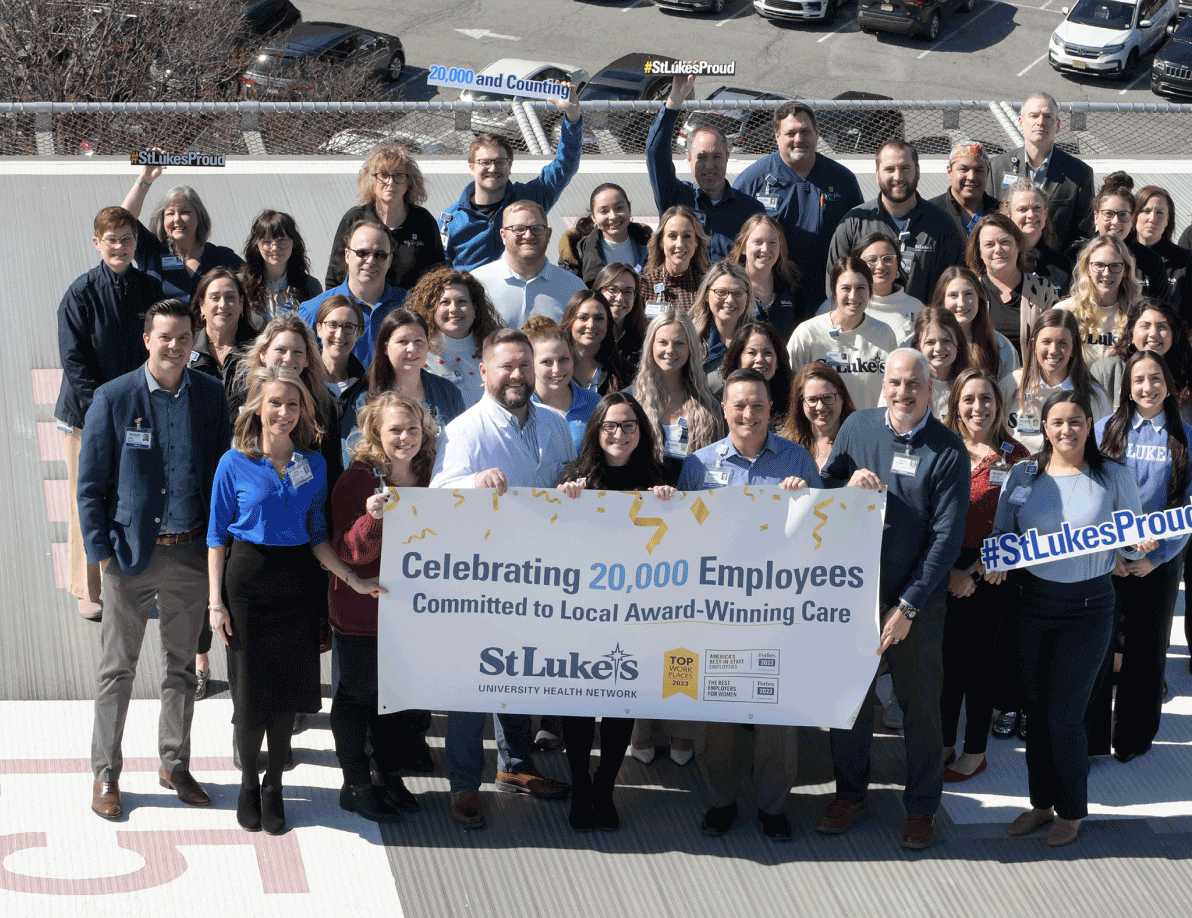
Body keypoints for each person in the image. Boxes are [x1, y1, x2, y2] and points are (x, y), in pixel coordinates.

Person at [207, 365, 383, 835]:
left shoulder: (316, 463)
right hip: (246, 583)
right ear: (257, 408)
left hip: (298, 585)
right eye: (274, 403)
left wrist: (352, 578)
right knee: (248, 694)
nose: (283, 412)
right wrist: (214, 603)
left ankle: (273, 786)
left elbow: (318, 535)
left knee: (287, 692)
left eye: (292, 404)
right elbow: (216, 538)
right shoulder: (234, 462)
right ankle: (247, 782)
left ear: (302, 410)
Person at [78, 298, 231, 821]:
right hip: (130, 558)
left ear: (195, 342)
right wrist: (101, 557)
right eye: (165, 337)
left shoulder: (212, 397)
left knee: (181, 670)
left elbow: (221, 475)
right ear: (147, 339)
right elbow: (91, 485)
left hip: (190, 552)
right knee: (116, 671)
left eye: (184, 338)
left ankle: (174, 763)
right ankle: (106, 774)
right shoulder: (113, 397)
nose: (175, 346)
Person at [815, 348, 969, 850]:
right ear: (884, 384)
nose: (904, 393)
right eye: (896, 383)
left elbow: (946, 540)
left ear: (931, 389)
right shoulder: (858, 427)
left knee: (920, 708)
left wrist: (906, 608)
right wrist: (845, 482)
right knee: (851, 702)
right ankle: (850, 794)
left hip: (915, 606)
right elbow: (825, 488)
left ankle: (922, 807)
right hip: (854, 595)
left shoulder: (947, 450)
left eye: (915, 385)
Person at [429, 328, 576, 829]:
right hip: (483, 576)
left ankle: (515, 765)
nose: (516, 375)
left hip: (541, 575)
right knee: (473, 686)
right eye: (505, 367)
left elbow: (564, 483)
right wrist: (473, 482)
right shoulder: (464, 431)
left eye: (524, 365)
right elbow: (436, 493)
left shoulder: (557, 425)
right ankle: (465, 785)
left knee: (521, 672)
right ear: (483, 372)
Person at [671, 369, 820, 840]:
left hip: (777, 607)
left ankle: (773, 808)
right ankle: (720, 802)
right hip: (716, 609)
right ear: (724, 409)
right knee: (716, 714)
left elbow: (821, 531)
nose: (748, 414)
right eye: (738, 406)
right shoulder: (697, 465)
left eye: (757, 406)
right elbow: (681, 536)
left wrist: (807, 500)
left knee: (776, 712)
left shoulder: (797, 459)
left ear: (770, 409)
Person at [991, 390, 1141, 847]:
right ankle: (1041, 803)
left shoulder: (1113, 474)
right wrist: (998, 558)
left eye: (1075, 421)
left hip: (1089, 608)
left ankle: (1072, 810)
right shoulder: (1023, 474)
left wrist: (1138, 546)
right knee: (1035, 711)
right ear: (1044, 426)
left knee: (1065, 716)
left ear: (1090, 424)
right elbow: (1003, 531)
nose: (1066, 431)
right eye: (1057, 422)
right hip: (1034, 602)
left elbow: (1130, 540)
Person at [556, 392, 675, 831]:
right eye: (610, 426)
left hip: (634, 615)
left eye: (628, 426)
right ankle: (580, 785)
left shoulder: (658, 477)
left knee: (621, 705)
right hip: (582, 615)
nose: (619, 434)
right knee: (580, 706)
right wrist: (562, 501)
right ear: (596, 431)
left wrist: (670, 503)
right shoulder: (574, 478)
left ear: (641, 432)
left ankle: (605, 787)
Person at [330, 392, 435, 823]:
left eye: (412, 429)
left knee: (395, 702)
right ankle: (356, 785)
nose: (405, 437)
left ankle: (388, 777)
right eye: (394, 430)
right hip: (362, 612)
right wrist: (372, 516)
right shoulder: (358, 480)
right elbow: (348, 553)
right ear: (376, 432)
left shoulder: (432, 474)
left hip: (411, 614)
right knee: (357, 698)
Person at [57, 205, 163, 621]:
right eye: (111, 240)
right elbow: (73, 360)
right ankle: (90, 588)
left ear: (137, 243)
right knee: (87, 499)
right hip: (86, 416)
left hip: (137, 413)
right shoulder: (80, 293)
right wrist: (101, 413)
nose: (119, 247)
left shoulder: (150, 289)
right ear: (97, 243)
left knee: (135, 497)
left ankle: (136, 584)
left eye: (127, 239)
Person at [1094, 351, 1192, 762]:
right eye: (1139, 380)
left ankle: (1134, 736)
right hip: (1105, 561)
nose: (1147, 387)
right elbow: (1090, 494)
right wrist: (1108, 552)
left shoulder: (1185, 436)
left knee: (1147, 652)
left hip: (1159, 563)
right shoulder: (1104, 430)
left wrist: (1161, 555)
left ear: (1168, 385)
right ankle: (1093, 737)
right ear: (1127, 388)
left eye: (1156, 379)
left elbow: (1188, 507)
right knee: (1098, 652)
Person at [939, 367, 1030, 782]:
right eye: (969, 399)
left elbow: (1026, 524)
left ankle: (974, 751)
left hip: (990, 573)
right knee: (943, 665)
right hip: (938, 566)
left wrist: (976, 571)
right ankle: (941, 742)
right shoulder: (940, 447)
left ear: (1000, 404)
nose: (979, 408)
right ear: (956, 405)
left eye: (987, 399)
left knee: (977, 667)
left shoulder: (1018, 457)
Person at [734, 99, 863, 308]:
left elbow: (858, 241)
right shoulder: (752, 181)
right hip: (770, 298)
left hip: (826, 298)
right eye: (790, 133)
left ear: (817, 133)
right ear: (777, 136)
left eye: (805, 131)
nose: (798, 139)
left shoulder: (842, 180)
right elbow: (734, 243)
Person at [441, 85, 583, 271]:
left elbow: (565, 165)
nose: (493, 168)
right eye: (485, 162)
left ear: (510, 166)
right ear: (471, 167)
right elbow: (440, 273)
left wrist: (572, 116)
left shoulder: (530, 199)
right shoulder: (450, 221)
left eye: (500, 162)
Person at [826, 140, 965, 304]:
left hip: (923, 326)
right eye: (889, 169)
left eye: (905, 169)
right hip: (865, 326)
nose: (898, 177)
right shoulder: (854, 223)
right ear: (877, 174)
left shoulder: (942, 224)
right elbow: (835, 285)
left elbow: (954, 286)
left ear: (918, 171)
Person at [646, 75, 765, 262]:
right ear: (688, 158)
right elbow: (655, 152)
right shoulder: (674, 198)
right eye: (701, 157)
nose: (709, 166)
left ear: (727, 157)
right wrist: (675, 98)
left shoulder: (751, 211)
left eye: (717, 156)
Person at [326, 142, 445, 291]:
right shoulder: (355, 218)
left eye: (399, 175)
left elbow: (438, 276)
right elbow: (334, 278)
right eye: (383, 175)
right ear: (372, 180)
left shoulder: (423, 221)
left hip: (410, 310)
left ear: (409, 182)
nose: (390, 182)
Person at [987, 92, 1095, 252]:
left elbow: (1084, 234)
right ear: (1021, 123)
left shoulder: (1079, 173)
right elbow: (987, 221)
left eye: (1048, 116)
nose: (1041, 122)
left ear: (1057, 125)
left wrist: (1060, 267)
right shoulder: (997, 167)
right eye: (1034, 116)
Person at [788, 256, 898, 411]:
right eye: (846, 288)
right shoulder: (807, 334)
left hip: (869, 430)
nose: (853, 296)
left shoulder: (884, 334)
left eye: (861, 288)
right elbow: (791, 391)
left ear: (870, 291)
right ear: (834, 291)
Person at [120, 163, 242, 302]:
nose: (177, 219)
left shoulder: (221, 257)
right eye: (170, 213)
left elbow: (255, 278)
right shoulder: (151, 251)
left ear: (199, 216)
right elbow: (124, 219)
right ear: (162, 220)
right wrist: (145, 179)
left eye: (185, 212)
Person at [298, 218, 407, 370]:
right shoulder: (313, 309)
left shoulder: (409, 305)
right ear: (347, 255)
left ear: (389, 260)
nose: (370, 260)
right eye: (362, 253)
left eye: (380, 255)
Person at [631, 310, 725, 484]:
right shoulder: (630, 400)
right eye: (662, 342)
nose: (670, 350)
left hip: (695, 503)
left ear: (691, 349)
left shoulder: (711, 406)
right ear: (651, 345)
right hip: (643, 502)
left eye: (679, 343)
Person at [1001, 308, 1111, 453]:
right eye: (1046, 342)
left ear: (1073, 347)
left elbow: (1105, 448)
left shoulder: (1093, 395)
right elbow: (993, 437)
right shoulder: (1013, 384)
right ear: (1034, 345)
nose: (1053, 350)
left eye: (1062, 343)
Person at [354, 308, 466, 446]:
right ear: (385, 347)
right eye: (403, 341)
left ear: (428, 344)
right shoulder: (364, 399)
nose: (412, 349)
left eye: (419, 341)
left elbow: (463, 445)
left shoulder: (448, 392)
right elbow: (357, 455)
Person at [471, 200, 587, 327]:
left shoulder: (574, 287)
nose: (528, 235)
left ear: (548, 235)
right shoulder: (477, 283)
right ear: (503, 236)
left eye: (536, 229)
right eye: (518, 229)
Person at [406, 265, 504, 407]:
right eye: (445, 302)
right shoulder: (418, 353)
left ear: (475, 307)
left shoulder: (494, 349)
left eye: (462, 301)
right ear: (431, 308)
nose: (453, 309)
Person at [967, 213, 1059, 358]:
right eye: (989, 244)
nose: (998, 249)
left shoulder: (1043, 291)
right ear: (979, 251)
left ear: (1017, 245)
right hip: (982, 378)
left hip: (1031, 377)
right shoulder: (968, 291)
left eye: (1005, 242)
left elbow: (1057, 340)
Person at [1068, 173, 1169, 303]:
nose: (1116, 222)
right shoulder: (1075, 256)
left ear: (1132, 219)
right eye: (1108, 214)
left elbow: (1162, 310)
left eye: (1123, 215)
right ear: (1096, 216)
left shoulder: (1151, 262)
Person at [1090, 299, 1192, 420]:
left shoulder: (1187, 376)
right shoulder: (1105, 372)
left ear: (1174, 335)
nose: (1153, 333)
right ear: (1131, 333)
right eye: (1145, 326)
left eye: (1162, 327)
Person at [1058, 235, 1143, 365]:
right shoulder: (1065, 311)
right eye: (1099, 265)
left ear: (1125, 269)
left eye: (1115, 265)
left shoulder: (1140, 312)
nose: (1106, 273)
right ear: (1087, 268)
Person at [932, 266, 1020, 383]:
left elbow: (1010, 397)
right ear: (941, 301)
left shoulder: (1001, 347)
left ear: (979, 299)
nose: (961, 303)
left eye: (968, 294)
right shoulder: (921, 342)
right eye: (953, 295)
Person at [526, 316, 600, 452]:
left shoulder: (594, 402)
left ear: (572, 358)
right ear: (531, 364)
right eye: (547, 362)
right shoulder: (522, 407)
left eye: (563, 359)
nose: (557, 369)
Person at [241, 210, 322, 329]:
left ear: (293, 242)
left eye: (282, 240)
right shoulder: (242, 285)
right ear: (257, 245)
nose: (274, 248)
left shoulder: (311, 286)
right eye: (266, 242)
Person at [728, 213, 805, 337]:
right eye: (758, 242)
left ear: (780, 248)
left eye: (772, 243)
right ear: (743, 247)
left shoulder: (791, 286)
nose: (765, 249)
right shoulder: (729, 287)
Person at [558, 182, 652, 283]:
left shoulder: (653, 248)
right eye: (604, 211)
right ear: (593, 217)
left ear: (629, 209)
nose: (613, 216)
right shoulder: (577, 254)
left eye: (619, 208)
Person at [315, 296, 370, 463]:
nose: (339, 334)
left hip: (350, 483)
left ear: (359, 332)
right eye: (332, 325)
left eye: (348, 327)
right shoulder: (302, 382)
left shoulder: (367, 388)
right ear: (319, 328)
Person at [847, 231, 925, 342]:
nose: (880, 266)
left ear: (898, 264)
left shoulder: (917, 309)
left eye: (888, 259)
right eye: (871, 260)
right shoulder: (839, 306)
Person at [690, 261, 754, 393]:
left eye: (738, 293)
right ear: (707, 295)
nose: (729, 300)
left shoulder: (759, 338)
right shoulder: (689, 338)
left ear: (747, 297)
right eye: (721, 292)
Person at [1001, 178, 1073, 296]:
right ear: (1009, 216)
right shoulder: (1000, 261)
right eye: (1022, 209)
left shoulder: (1064, 265)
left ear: (1045, 213)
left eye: (1036, 208)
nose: (1030, 215)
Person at [782, 362, 857, 472]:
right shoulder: (786, 446)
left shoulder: (859, 442)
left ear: (842, 398)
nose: (820, 407)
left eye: (827, 397)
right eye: (812, 400)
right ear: (801, 403)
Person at [722, 321, 794, 431]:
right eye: (751, 353)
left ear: (778, 361)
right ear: (738, 359)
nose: (760, 359)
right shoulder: (720, 402)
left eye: (767, 353)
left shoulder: (795, 403)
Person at [187, 268, 256, 380]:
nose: (223, 304)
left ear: (241, 303)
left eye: (230, 297)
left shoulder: (259, 348)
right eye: (215, 297)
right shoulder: (186, 346)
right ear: (202, 305)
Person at [640, 205, 710, 316]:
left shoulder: (707, 287)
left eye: (687, 236)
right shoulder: (644, 285)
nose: (680, 244)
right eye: (672, 236)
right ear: (661, 242)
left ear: (696, 241)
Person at [1133, 185, 1191, 316]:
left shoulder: (1185, 261)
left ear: (1167, 220)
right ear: (1134, 216)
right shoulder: (1121, 256)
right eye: (1146, 210)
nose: (1152, 218)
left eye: (1159, 213)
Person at [559, 290, 629, 394]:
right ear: (570, 321)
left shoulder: (625, 372)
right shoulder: (554, 367)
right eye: (583, 318)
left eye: (599, 318)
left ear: (608, 324)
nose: (591, 325)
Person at [905, 306, 970, 419]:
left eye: (946, 341)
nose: (939, 348)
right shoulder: (903, 386)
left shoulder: (971, 385)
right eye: (930, 342)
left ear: (958, 343)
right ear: (918, 346)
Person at [931, 143, 1001, 239]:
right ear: (949, 172)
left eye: (978, 170)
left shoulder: (1001, 212)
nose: (971, 177)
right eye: (964, 169)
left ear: (987, 173)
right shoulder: (931, 212)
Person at [594, 262, 647, 377]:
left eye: (628, 291)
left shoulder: (644, 341)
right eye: (613, 289)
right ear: (599, 291)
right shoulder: (584, 336)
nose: (619, 298)